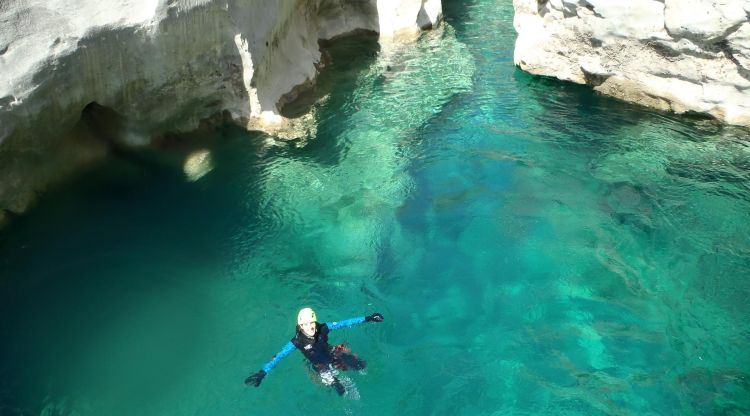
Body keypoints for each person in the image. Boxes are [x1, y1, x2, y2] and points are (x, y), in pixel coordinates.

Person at [245, 308, 384, 396]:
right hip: (319, 365)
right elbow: (278, 356)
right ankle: (338, 385)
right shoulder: (297, 341)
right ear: (300, 326)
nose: (310, 327)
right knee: (341, 390)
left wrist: (368, 318)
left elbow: (345, 323)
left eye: (311, 322)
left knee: (361, 365)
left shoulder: (323, 328)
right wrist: (263, 372)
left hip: (332, 353)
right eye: (305, 324)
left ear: (315, 321)